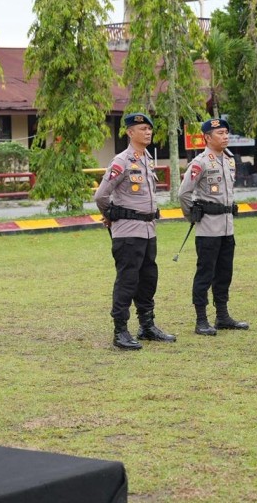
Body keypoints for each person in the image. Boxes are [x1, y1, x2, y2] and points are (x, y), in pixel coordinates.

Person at [94, 112, 176, 350]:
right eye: (142, 129)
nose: (148, 132)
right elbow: (101, 195)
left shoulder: (147, 159)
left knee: (148, 279)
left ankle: (147, 326)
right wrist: (112, 216)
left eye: (149, 129)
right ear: (130, 133)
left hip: (148, 230)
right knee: (127, 281)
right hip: (128, 232)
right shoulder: (121, 161)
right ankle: (120, 331)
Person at [178, 118, 249, 336]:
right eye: (220, 133)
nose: (225, 136)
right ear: (208, 138)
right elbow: (184, 194)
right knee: (205, 274)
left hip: (227, 227)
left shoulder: (229, 160)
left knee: (224, 273)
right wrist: (194, 216)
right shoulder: (200, 162)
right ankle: (201, 319)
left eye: (227, 132)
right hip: (208, 228)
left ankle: (223, 316)